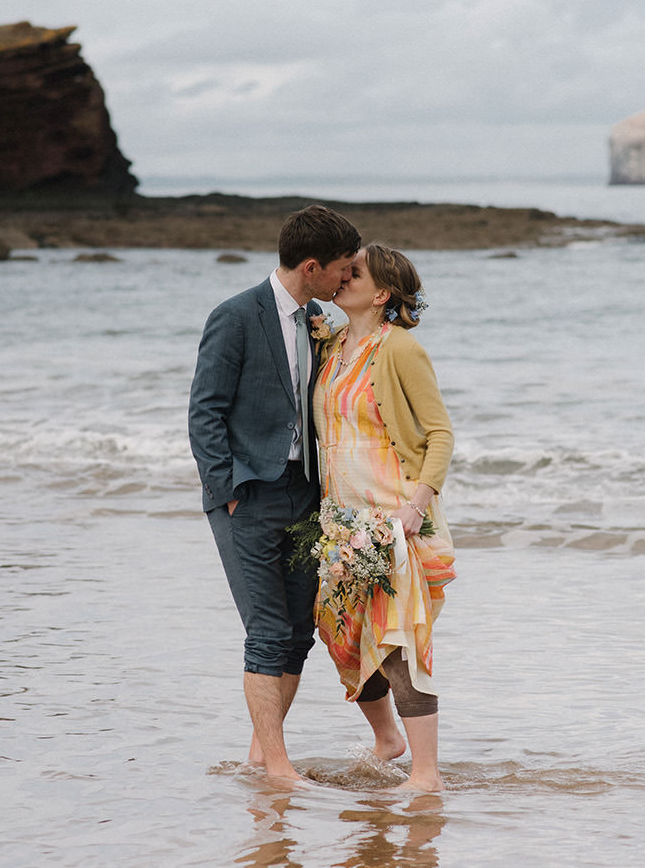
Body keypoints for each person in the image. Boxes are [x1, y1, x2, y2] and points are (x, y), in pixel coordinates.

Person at [189, 204, 361, 783]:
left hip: (306, 494)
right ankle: (279, 766)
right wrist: (228, 489)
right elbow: (204, 412)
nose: (347, 278)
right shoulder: (235, 316)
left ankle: (261, 755)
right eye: (341, 269)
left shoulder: (321, 322)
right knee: (265, 632)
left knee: (297, 633)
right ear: (311, 267)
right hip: (247, 495)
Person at [311, 243, 455, 793]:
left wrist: (415, 508)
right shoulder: (333, 344)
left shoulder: (400, 349)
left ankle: (425, 775)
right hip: (341, 520)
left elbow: (440, 432)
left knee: (396, 644)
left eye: (356, 272)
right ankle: (387, 740)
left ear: (382, 293)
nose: (344, 277)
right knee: (341, 634)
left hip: (395, 516)